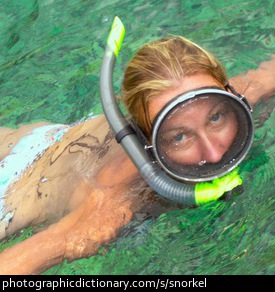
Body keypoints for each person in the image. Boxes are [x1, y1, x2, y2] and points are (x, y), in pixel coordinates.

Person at [0, 17, 274, 275]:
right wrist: (76, 238)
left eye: (216, 117)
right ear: (145, 142)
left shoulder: (240, 100)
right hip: (18, 189)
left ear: (229, 94)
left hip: (55, 137)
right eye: (179, 137)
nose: (215, 152)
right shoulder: (115, 193)